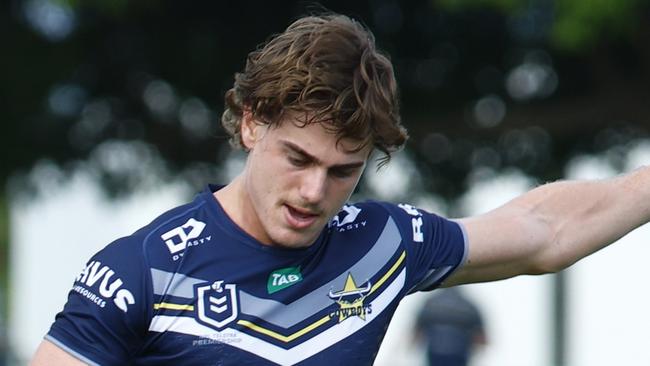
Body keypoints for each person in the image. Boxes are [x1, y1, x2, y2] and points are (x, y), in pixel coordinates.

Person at [30, 12, 650, 366]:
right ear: (251, 122)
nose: (312, 192)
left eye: (341, 172)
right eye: (296, 158)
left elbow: (546, 231)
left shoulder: (381, 244)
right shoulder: (141, 270)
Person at [414, 287, 486, 366]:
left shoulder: (431, 302)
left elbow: (418, 332)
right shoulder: (468, 305)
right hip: (459, 354)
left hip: (435, 353)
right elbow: (480, 338)